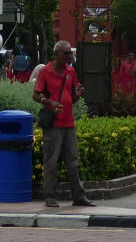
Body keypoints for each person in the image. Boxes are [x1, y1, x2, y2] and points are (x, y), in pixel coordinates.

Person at [33, 39, 93, 209]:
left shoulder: (70, 72)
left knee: (73, 161)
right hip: (54, 124)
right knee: (51, 162)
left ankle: (79, 196)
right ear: (58, 53)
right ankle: (50, 197)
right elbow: (36, 95)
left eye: (70, 53)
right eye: (66, 53)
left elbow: (72, 97)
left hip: (68, 122)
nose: (69, 56)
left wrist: (78, 94)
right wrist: (49, 102)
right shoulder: (45, 72)